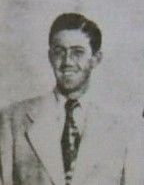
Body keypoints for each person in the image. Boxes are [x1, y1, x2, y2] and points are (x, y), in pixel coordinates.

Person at [0, 13, 143, 185]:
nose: (67, 61)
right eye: (59, 52)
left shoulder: (125, 128)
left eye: (77, 52)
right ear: (50, 56)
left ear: (96, 59)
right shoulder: (11, 120)